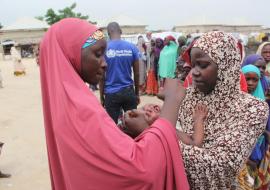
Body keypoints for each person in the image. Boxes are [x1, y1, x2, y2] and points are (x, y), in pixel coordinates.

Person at [39, 18, 189, 190]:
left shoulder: (63, 104)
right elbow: (140, 171)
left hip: (111, 94)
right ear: (71, 53)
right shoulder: (83, 111)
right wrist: (170, 106)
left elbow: (100, 155)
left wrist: (120, 134)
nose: (104, 63)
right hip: (126, 92)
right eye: (97, 54)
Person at [178, 31, 269, 189]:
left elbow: (221, 166)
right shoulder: (186, 97)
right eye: (193, 65)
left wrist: (160, 139)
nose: (195, 72)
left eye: (203, 65)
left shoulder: (252, 108)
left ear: (226, 64)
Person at [236, 65, 270, 190]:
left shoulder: (262, 102)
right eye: (247, 79)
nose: (250, 83)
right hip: (240, 159)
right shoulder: (235, 102)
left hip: (258, 153)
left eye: (254, 80)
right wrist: (246, 159)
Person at [99, 22, 140, 124]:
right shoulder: (132, 47)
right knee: (132, 125)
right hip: (128, 91)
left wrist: (101, 96)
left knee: (112, 127)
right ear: (121, 31)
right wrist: (137, 94)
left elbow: (101, 76)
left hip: (111, 93)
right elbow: (137, 73)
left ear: (108, 33)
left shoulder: (104, 49)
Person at [121, 103, 208, 148]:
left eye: (143, 108)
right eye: (148, 114)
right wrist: (198, 120)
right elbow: (196, 143)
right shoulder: (168, 132)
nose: (148, 109)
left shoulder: (168, 124)